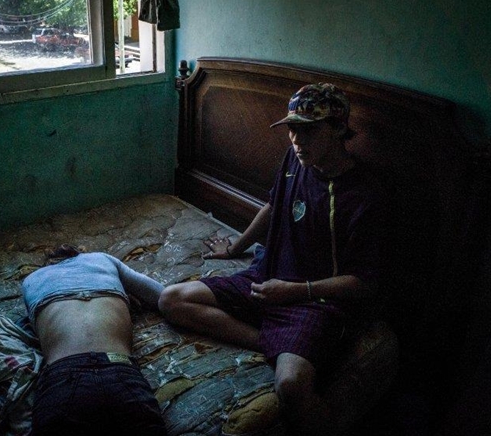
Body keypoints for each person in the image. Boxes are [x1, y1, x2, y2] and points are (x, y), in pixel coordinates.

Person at [158, 83, 388, 435]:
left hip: (314, 300)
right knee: (171, 299)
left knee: (291, 386)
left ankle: (286, 349)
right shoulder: (296, 161)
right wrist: (234, 248)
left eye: (309, 130)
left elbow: (364, 283)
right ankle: (271, 342)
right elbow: (273, 205)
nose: (297, 140)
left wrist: (294, 291)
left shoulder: (364, 195)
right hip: (267, 278)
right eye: (292, 129)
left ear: (339, 128)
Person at [21, 244, 168, 436]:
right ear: (79, 253)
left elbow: (39, 328)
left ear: (49, 263)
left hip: (62, 375)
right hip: (118, 367)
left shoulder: (31, 280)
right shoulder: (102, 259)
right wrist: (124, 294)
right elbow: (161, 295)